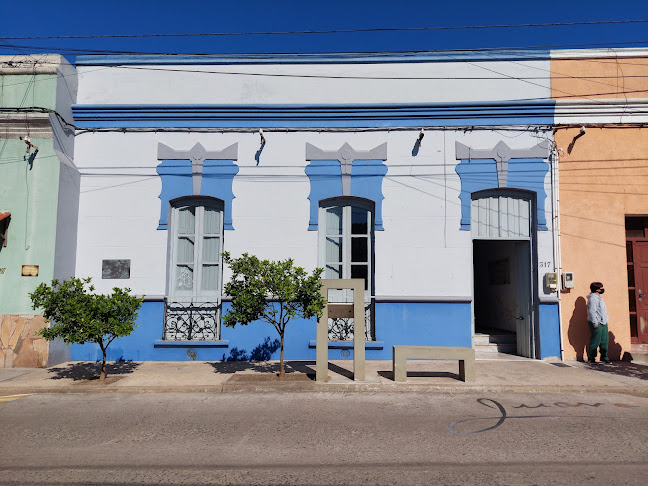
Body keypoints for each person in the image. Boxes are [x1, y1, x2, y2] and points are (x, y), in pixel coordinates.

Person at [587, 282, 610, 364]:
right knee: (595, 341)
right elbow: (592, 311)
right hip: (597, 323)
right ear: (597, 290)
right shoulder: (593, 298)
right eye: (601, 288)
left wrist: (606, 319)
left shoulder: (599, 298)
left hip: (603, 322)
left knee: (604, 340)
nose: (602, 289)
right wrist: (595, 323)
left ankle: (604, 357)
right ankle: (591, 358)